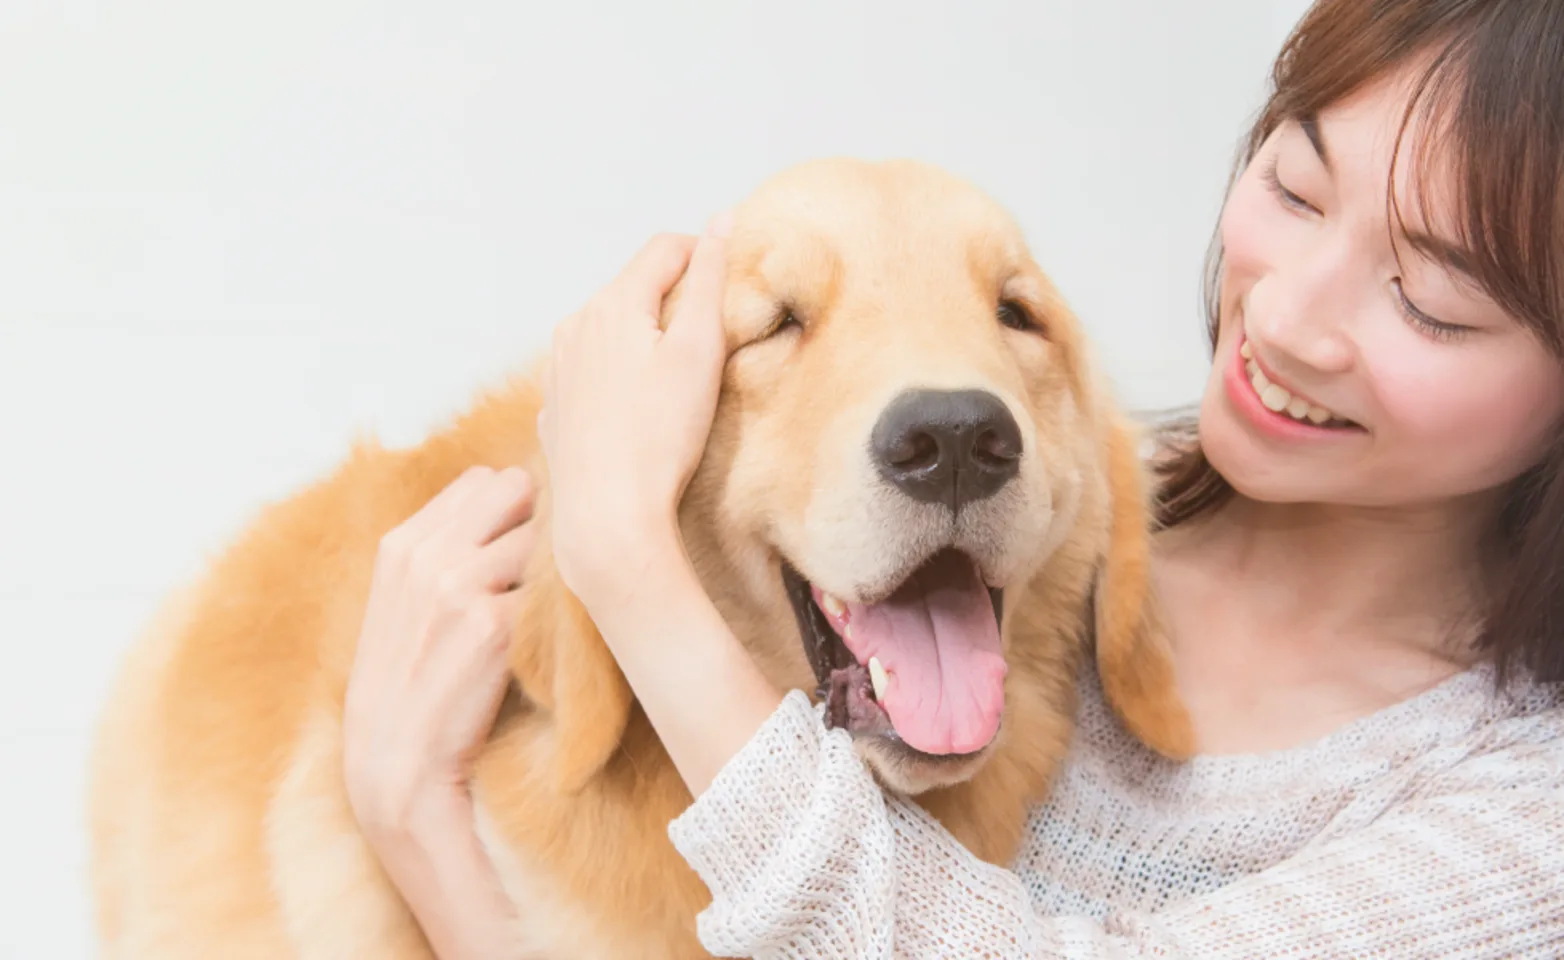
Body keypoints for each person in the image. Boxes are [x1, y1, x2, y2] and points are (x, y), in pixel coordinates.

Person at [341, 0, 1564, 955]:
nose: (1286, 319)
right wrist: (408, 801)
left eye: (1432, 298)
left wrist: (619, 562)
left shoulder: (1528, 826)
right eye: (1295, 186)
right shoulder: (1059, 498)